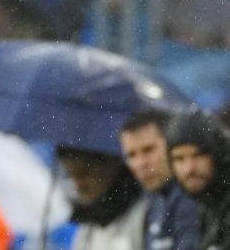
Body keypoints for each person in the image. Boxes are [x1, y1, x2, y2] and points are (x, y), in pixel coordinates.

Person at [118, 108, 199, 250]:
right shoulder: (151, 201)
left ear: (172, 146)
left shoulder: (194, 198)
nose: (141, 163)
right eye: (131, 155)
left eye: (148, 150)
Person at [56, 146, 147, 250]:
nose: (78, 185)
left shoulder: (144, 210)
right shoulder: (87, 223)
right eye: (70, 175)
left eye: (84, 173)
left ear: (110, 166)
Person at [166, 107, 230, 249]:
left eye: (198, 155)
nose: (189, 168)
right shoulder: (207, 202)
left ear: (218, 154)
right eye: (179, 158)